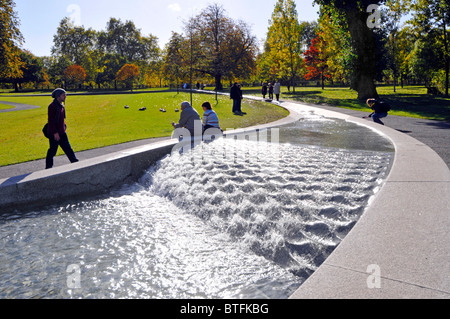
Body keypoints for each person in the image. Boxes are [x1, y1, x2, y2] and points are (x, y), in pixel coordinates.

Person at [45, 88, 79, 169]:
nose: (65, 97)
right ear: (58, 96)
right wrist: (55, 133)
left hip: (62, 132)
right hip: (55, 133)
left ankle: (75, 163)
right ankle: (48, 168)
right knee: (52, 151)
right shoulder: (52, 106)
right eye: (63, 95)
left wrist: (64, 125)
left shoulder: (61, 105)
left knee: (68, 149)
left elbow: (61, 118)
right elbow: (51, 121)